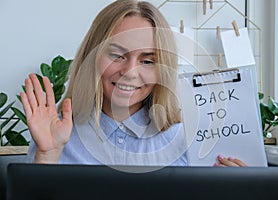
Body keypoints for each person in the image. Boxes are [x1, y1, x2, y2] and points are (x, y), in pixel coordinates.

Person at [20, 0, 246, 167]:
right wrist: (47, 156)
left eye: (147, 61)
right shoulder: (57, 136)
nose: (130, 72)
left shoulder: (189, 141)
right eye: (117, 55)